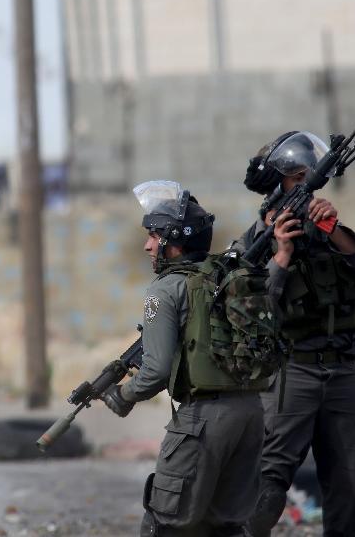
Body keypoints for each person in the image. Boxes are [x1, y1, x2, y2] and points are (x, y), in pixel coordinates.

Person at [101, 180, 288, 537]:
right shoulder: (225, 273)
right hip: (251, 414)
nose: (147, 245)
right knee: (227, 525)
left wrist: (124, 395)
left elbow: (155, 370)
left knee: (166, 523)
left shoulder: (164, 290)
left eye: (154, 237)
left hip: (203, 420)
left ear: (173, 242)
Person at [235, 131, 355, 537]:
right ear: (276, 184)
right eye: (298, 176)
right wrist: (280, 254)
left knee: (352, 481)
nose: (306, 183)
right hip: (290, 372)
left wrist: (333, 229)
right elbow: (252, 305)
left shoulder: (326, 230)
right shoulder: (255, 242)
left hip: (341, 371)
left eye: (308, 176)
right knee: (268, 480)